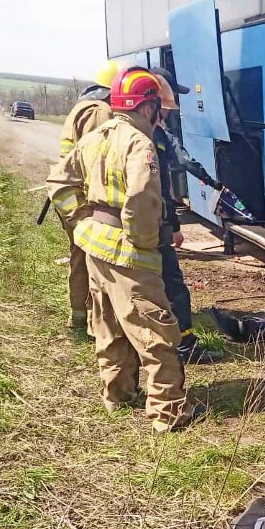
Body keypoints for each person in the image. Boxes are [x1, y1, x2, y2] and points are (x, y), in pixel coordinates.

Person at [47, 67, 202, 432]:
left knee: (110, 324)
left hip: (94, 245)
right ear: (147, 108)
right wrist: (145, 244)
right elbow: (142, 197)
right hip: (128, 250)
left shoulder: (95, 137)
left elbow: (58, 182)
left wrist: (81, 221)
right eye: (158, 111)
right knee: (156, 329)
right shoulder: (139, 144)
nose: (160, 118)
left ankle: (117, 394)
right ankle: (168, 412)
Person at [149, 68, 223, 364]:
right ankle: (184, 346)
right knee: (174, 287)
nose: (168, 111)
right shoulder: (151, 136)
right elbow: (160, 187)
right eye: (165, 104)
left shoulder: (126, 132)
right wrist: (173, 226)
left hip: (124, 233)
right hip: (148, 228)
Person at [56, 60, 118, 330]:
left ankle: (79, 317)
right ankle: (94, 320)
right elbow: (99, 159)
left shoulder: (83, 105)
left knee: (80, 254)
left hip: (72, 193)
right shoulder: (100, 111)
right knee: (92, 256)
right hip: (83, 198)